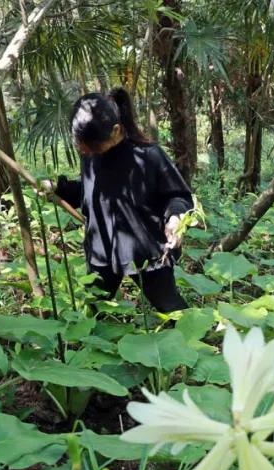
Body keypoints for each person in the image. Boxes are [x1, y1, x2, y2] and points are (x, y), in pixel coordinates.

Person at [47, 88, 192, 312]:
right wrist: (58, 188)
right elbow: (88, 194)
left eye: (91, 146)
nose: (85, 151)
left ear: (115, 131)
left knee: (173, 310)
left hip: (146, 255)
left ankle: (194, 345)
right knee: (92, 316)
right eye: (82, 147)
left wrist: (175, 219)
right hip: (102, 252)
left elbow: (178, 195)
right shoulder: (90, 156)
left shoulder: (149, 155)